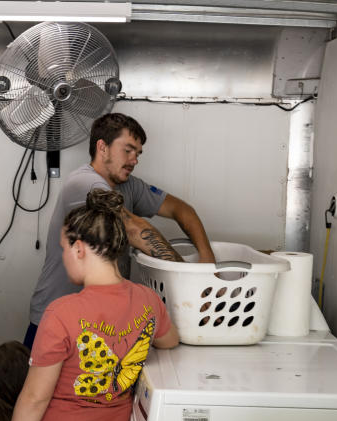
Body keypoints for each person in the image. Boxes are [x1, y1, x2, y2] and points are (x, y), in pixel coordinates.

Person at [0, 189, 180, 421]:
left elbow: (35, 398)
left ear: (80, 248)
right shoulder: (148, 300)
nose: (64, 256)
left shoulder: (62, 312)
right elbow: (170, 341)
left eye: (64, 248)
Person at [25, 112, 214, 347]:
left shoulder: (130, 186)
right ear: (102, 147)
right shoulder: (83, 183)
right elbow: (134, 229)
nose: (134, 160)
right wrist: (192, 285)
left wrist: (207, 260)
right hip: (57, 319)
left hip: (104, 321)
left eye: (138, 153)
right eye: (128, 150)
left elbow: (183, 211)